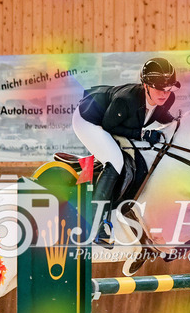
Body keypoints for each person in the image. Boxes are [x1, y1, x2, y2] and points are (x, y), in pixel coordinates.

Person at [72, 57, 180, 245]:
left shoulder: (167, 98)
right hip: (90, 120)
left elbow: (161, 114)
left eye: (168, 88)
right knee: (115, 160)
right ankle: (97, 224)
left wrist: (180, 122)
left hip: (112, 120)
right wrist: (142, 134)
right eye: (159, 88)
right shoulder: (126, 100)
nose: (164, 93)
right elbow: (109, 126)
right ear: (145, 85)